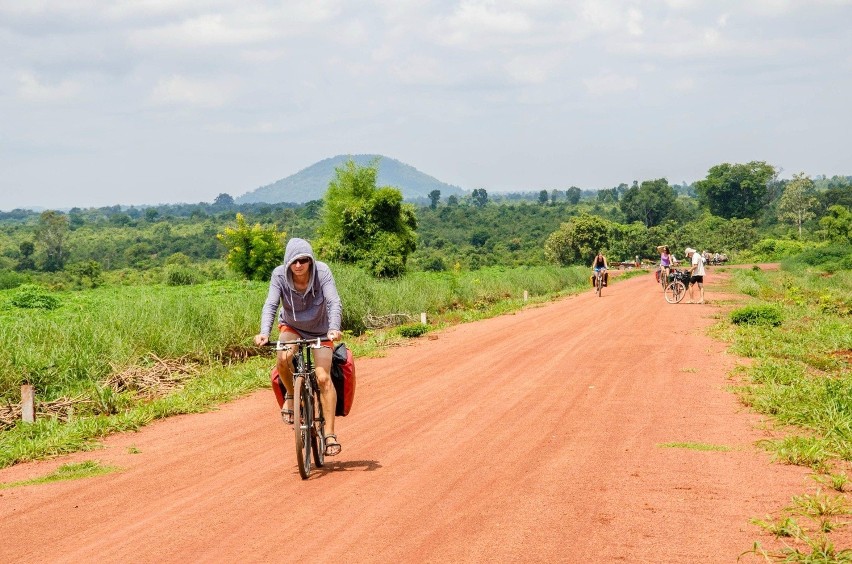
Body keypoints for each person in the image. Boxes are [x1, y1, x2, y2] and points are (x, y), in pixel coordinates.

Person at [254, 238, 344, 456]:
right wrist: (264, 332)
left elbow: (333, 302)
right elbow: (271, 304)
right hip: (292, 327)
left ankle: (330, 434)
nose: (298, 265)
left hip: (322, 331)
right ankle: (292, 397)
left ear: (311, 261)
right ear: (287, 263)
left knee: (323, 377)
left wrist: (334, 328)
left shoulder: (322, 272)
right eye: (294, 261)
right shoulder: (278, 276)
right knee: (283, 358)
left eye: (303, 260)